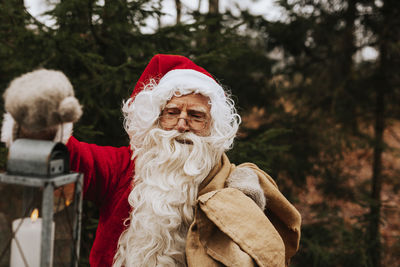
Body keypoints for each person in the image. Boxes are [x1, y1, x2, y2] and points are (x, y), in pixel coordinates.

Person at [1, 54, 301, 267]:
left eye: (196, 116)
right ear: (156, 119)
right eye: (172, 113)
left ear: (212, 126)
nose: (182, 124)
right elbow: (74, 156)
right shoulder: (124, 167)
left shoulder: (228, 182)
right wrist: (41, 124)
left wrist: (245, 203)